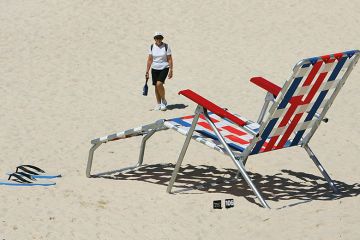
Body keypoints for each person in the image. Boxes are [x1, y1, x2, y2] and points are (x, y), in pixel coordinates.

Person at [145, 32, 173, 111]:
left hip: (164, 67)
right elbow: (150, 59)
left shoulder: (166, 46)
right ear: (154, 39)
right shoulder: (151, 47)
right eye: (157, 38)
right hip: (154, 68)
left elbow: (170, 59)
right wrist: (147, 71)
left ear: (162, 38)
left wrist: (171, 70)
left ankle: (163, 101)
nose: (159, 39)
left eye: (160, 38)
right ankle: (158, 103)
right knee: (156, 86)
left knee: (159, 84)